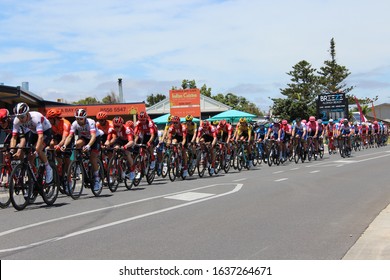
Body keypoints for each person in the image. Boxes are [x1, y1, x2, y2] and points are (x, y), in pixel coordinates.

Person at [10, 102, 54, 184]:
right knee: (28, 155)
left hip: (46, 131)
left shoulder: (35, 118)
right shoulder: (16, 121)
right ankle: (35, 175)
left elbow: (40, 137)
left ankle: (48, 168)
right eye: (18, 117)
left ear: (27, 114)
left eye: (22, 116)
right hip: (34, 132)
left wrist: (36, 151)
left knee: (38, 150)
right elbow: (14, 137)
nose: (20, 119)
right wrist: (12, 150)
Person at [61, 108, 103, 191]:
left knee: (93, 157)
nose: (79, 120)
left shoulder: (90, 122)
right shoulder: (74, 124)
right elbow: (70, 136)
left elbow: (93, 136)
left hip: (94, 138)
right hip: (84, 137)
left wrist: (88, 146)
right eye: (77, 118)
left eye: (81, 119)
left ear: (85, 118)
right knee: (77, 144)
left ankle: (97, 178)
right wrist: (65, 145)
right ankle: (79, 161)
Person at [46, 108, 72, 177]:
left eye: (50, 119)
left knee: (67, 159)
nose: (49, 121)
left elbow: (64, 139)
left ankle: (69, 178)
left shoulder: (66, 124)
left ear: (55, 118)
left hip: (67, 138)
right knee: (51, 143)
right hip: (58, 136)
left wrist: (59, 145)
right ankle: (56, 162)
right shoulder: (51, 125)